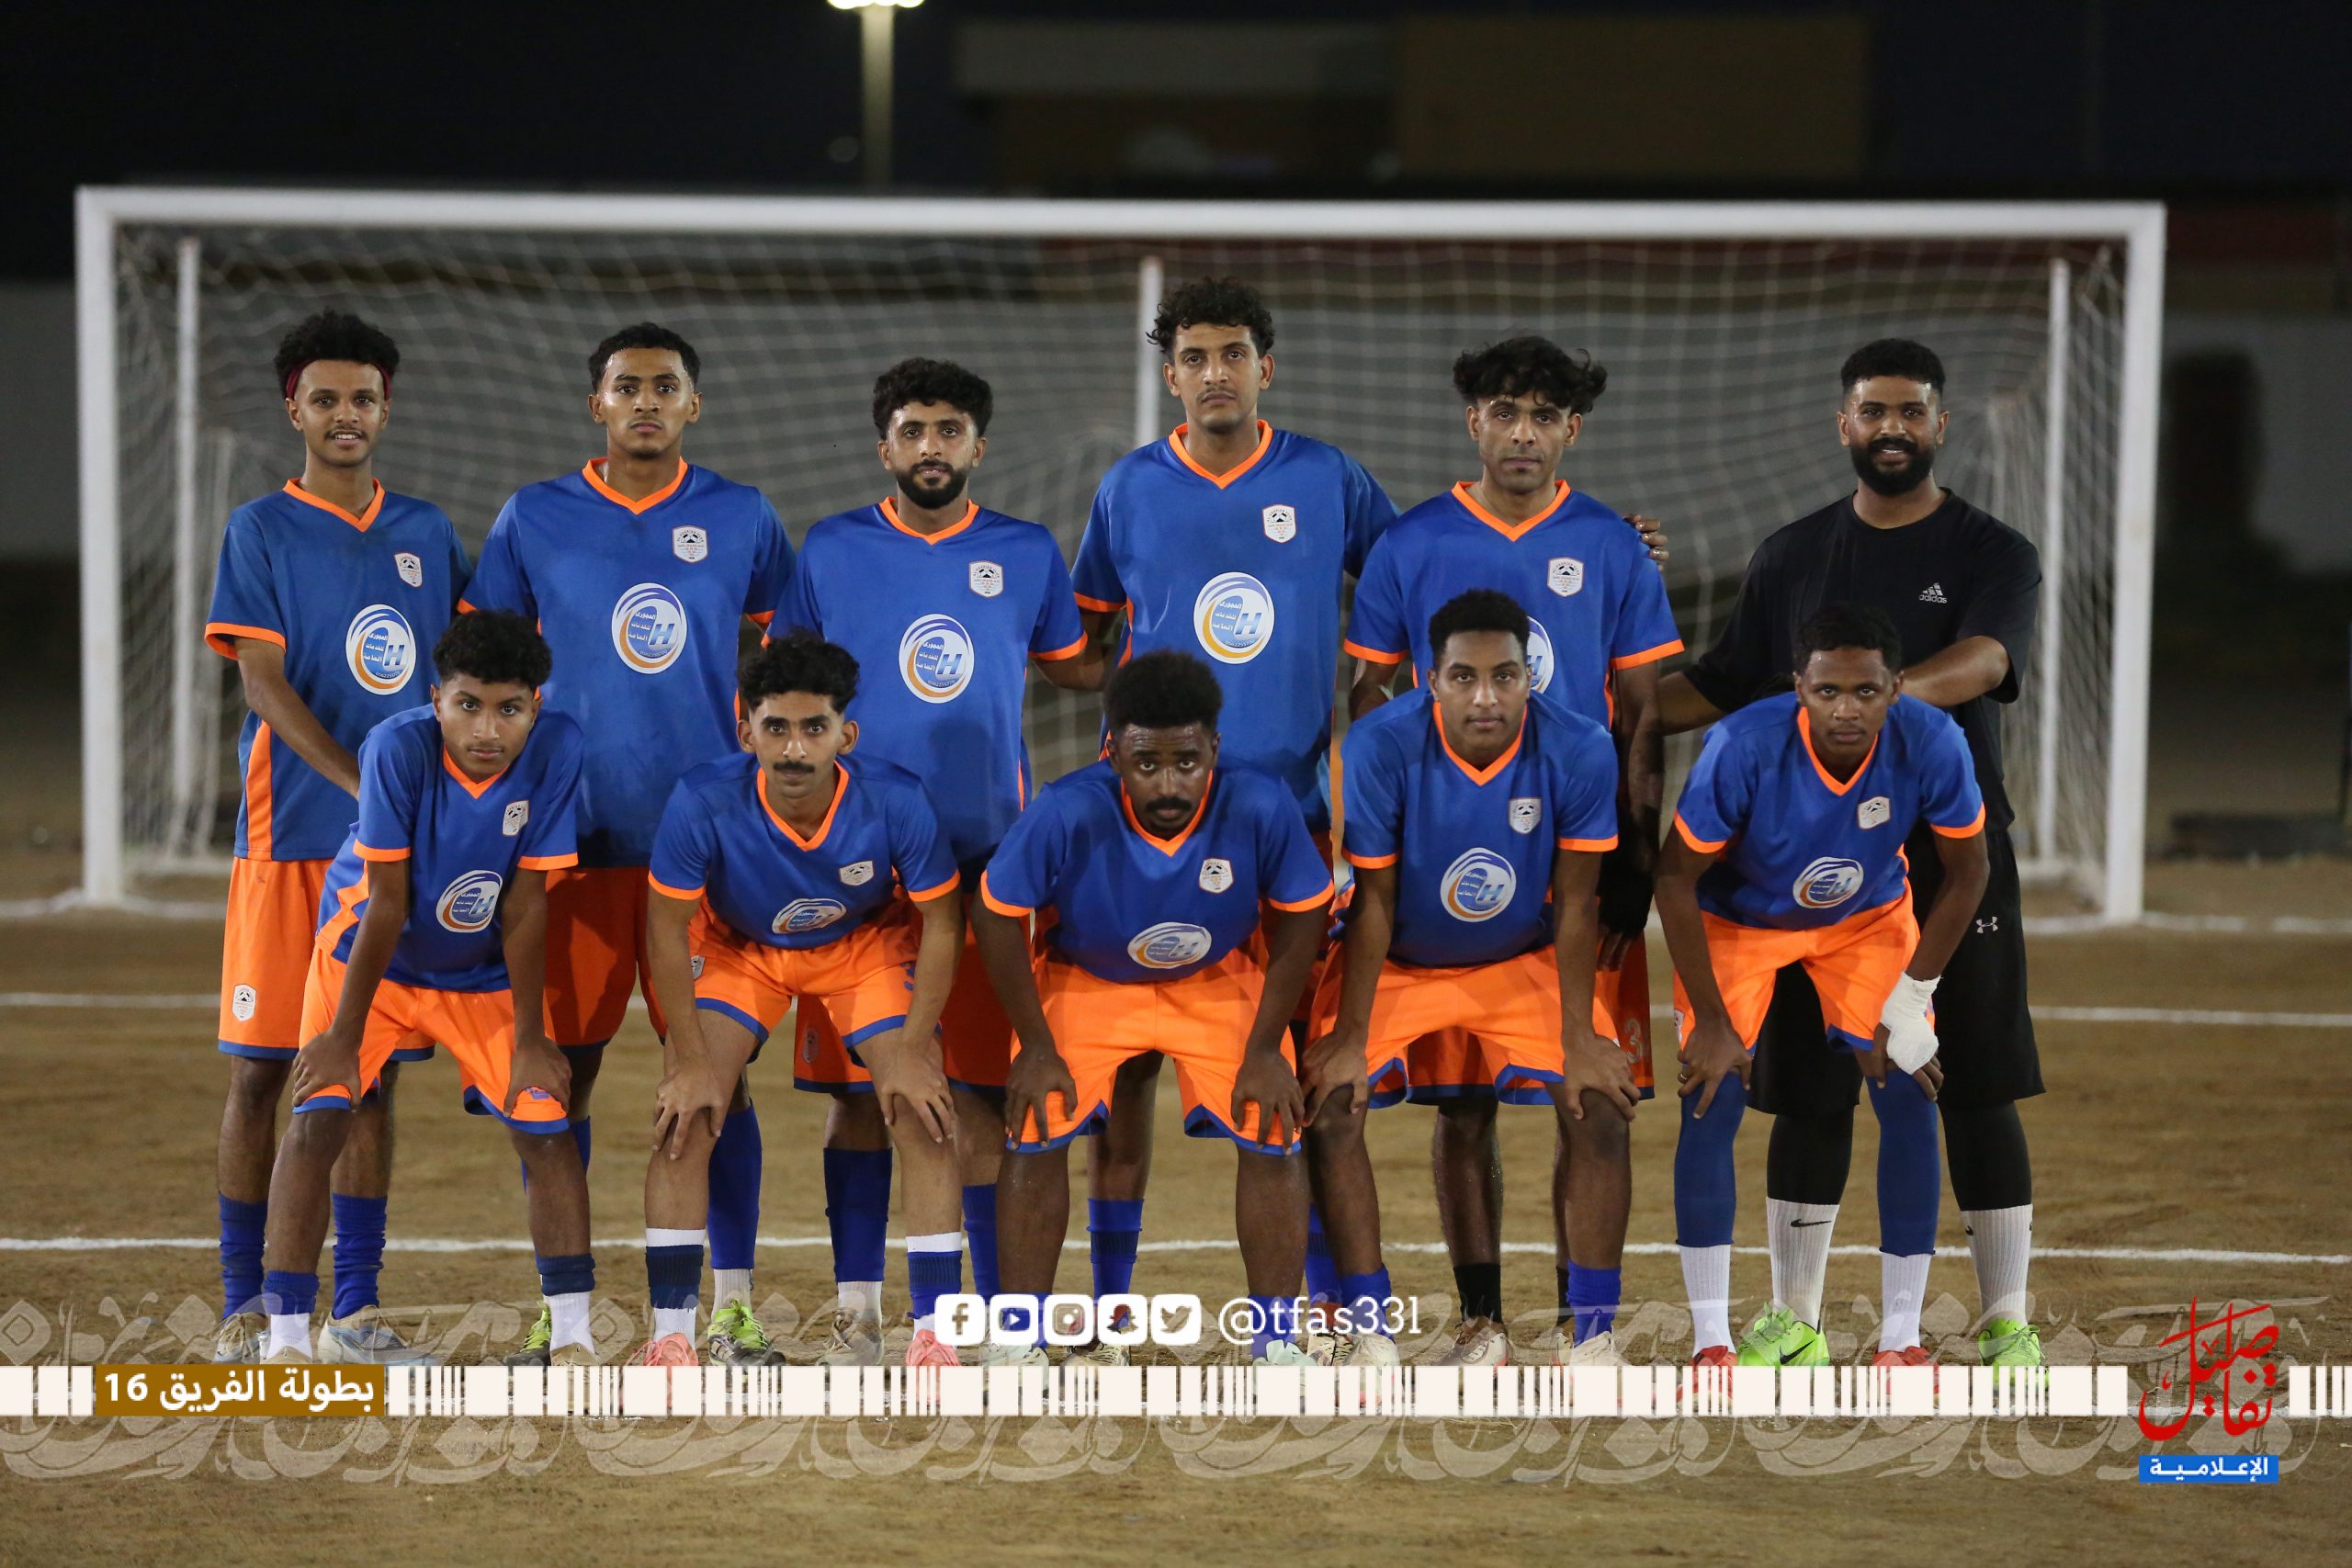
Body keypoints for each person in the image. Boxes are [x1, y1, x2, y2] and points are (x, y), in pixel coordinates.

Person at [1654, 339, 2046, 1368]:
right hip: (1799, 863)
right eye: (1874, 411)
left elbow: (1988, 659)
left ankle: (2004, 1318)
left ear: (1939, 425)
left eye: (1911, 411)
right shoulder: (1793, 554)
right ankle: (1796, 1318)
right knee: (1808, 1089)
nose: (1892, 428)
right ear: (1844, 425)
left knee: (1965, 1077)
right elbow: (1729, 678)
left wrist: (1873, 711)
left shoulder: (1992, 549)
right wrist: (1613, 711)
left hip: (1948, 849)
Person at [1064, 277, 1391, 1348]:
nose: (1216, 373)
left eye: (1234, 354)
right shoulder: (1129, 487)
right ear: (1171, 376)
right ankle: (1110, 1303)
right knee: (1125, 1077)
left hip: (1288, 818)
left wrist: (1372, 711)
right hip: (1145, 820)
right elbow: (1085, 636)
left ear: (1266, 367)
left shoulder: (1326, 478)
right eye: (1196, 357)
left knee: (1289, 1073)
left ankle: (1312, 1309)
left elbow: (1412, 577)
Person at [461, 323, 797, 1367]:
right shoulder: (534, 516)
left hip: (704, 849)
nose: (645, 401)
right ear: (595, 404)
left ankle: (729, 1308)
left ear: (693, 404)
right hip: (571, 843)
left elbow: (790, 663)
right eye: (626, 386)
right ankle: (562, 1312)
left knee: (718, 1074)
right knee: (560, 1073)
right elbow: (485, 667)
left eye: (664, 386)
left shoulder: (742, 516)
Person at [1342, 336, 1680, 1363]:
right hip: (1437, 873)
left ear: (1571, 429)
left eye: (1542, 415)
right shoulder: (1410, 542)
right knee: (1462, 1108)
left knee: (1590, 1097)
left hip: (1574, 863)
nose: (1521, 432)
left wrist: (1637, 858)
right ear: (1472, 422)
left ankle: (1587, 1329)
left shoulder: (1612, 547)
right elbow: (1368, 696)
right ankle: (1479, 1319)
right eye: (1502, 411)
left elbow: (1642, 712)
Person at [768, 357, 1100, 1364]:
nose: (930, 447)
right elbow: (788, 687)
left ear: (977, 446)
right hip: (856, 875)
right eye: (912, 430)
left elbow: (1075, 667)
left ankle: (993, 1321)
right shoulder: (831, 549)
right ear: (885, 446)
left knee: (984, 1096)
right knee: (860, 1099)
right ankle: (859, 1315)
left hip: (989, 866)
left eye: (948, 430)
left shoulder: (1025, 551)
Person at [202, 309, 468, 1364]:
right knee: (262, 1074)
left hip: (385, 855)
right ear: (294, 409)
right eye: (325, 398)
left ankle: (354, 1310)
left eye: (363, 398)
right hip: (288, 844)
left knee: (368, 1074)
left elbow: (459, 683)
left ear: (386, 409)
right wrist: (364, 784)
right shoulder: (260, 529)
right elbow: (262, 682)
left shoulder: (428, 535)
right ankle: (243, 1308)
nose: (345, 414)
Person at [971, 651, 1333, 1366]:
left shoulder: (1260, 802)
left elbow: (1303, 914)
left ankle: (1273, 1341)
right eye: (1146, 763)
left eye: (1186, 762)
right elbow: (995, 912)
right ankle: (1017, 1336)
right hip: (1090, 979)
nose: (1168, 784)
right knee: (1038, 1119)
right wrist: (1035, 1044)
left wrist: (1266, 1047)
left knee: (1272, 1123)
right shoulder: (1067, 807)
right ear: (1112, 752)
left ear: (1214, 749)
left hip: (1213, 978)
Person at [1306, 591, 1633, 1368]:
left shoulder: (1581, 746)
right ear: (1431, 679)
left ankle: (1591, 1336)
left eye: (1504, 676)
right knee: (1331, 1102)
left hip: (1520, 959)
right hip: (1403, 962)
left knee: (1599, 1105)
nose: (1485, 696)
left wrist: (1581, 1036)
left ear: (1529, 677)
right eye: (1464, 677)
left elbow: (1577, 904)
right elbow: (1373, 901)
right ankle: (1370, 1330)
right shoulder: (1380, 744)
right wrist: (1350, 1037)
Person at [1658, 604, 1988, 1368]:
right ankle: (1711, 1342)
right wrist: (1712, 1021)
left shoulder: (1933, 739)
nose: (1847, 708)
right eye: (1828, 690)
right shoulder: (1742, 744)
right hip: (1738, 920)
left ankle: (1901, 1339)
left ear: (1897, 687)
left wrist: (1909, 1001)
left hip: (1864, 918)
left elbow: (1969, 872)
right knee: (1711, 1092)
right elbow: (1674, 877)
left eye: (1866, 691)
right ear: (1798, 686)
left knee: (1908, 1080)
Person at [260, 612, 588, 1363]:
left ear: (536, 705)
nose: (487, 729)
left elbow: (526, 902)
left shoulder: (559, 747)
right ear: (436, 697)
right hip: (369, 957)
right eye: (468, 704)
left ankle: (572, 1337)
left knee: (545, 1122)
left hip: (478, 969)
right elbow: (386, 902)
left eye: (509, 708)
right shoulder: (394, 748)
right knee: (319, 1117)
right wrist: (342, 1040)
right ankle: (288, 1342)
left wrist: (531, 1038)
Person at [639, 634, 967, 1370]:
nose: (793, 748)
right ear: (745, 729)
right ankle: (671, 1336)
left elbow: (943, 923)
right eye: (776, 727)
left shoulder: (896, 798)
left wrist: (915, 1048)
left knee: (923, 1109)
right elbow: (665, 925)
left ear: (846, 734)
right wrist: (688, 1057)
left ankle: (933, 1334)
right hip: (740, 948)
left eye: (814, 727)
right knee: (686, 1112)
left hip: (861, 947)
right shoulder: (702, 799)